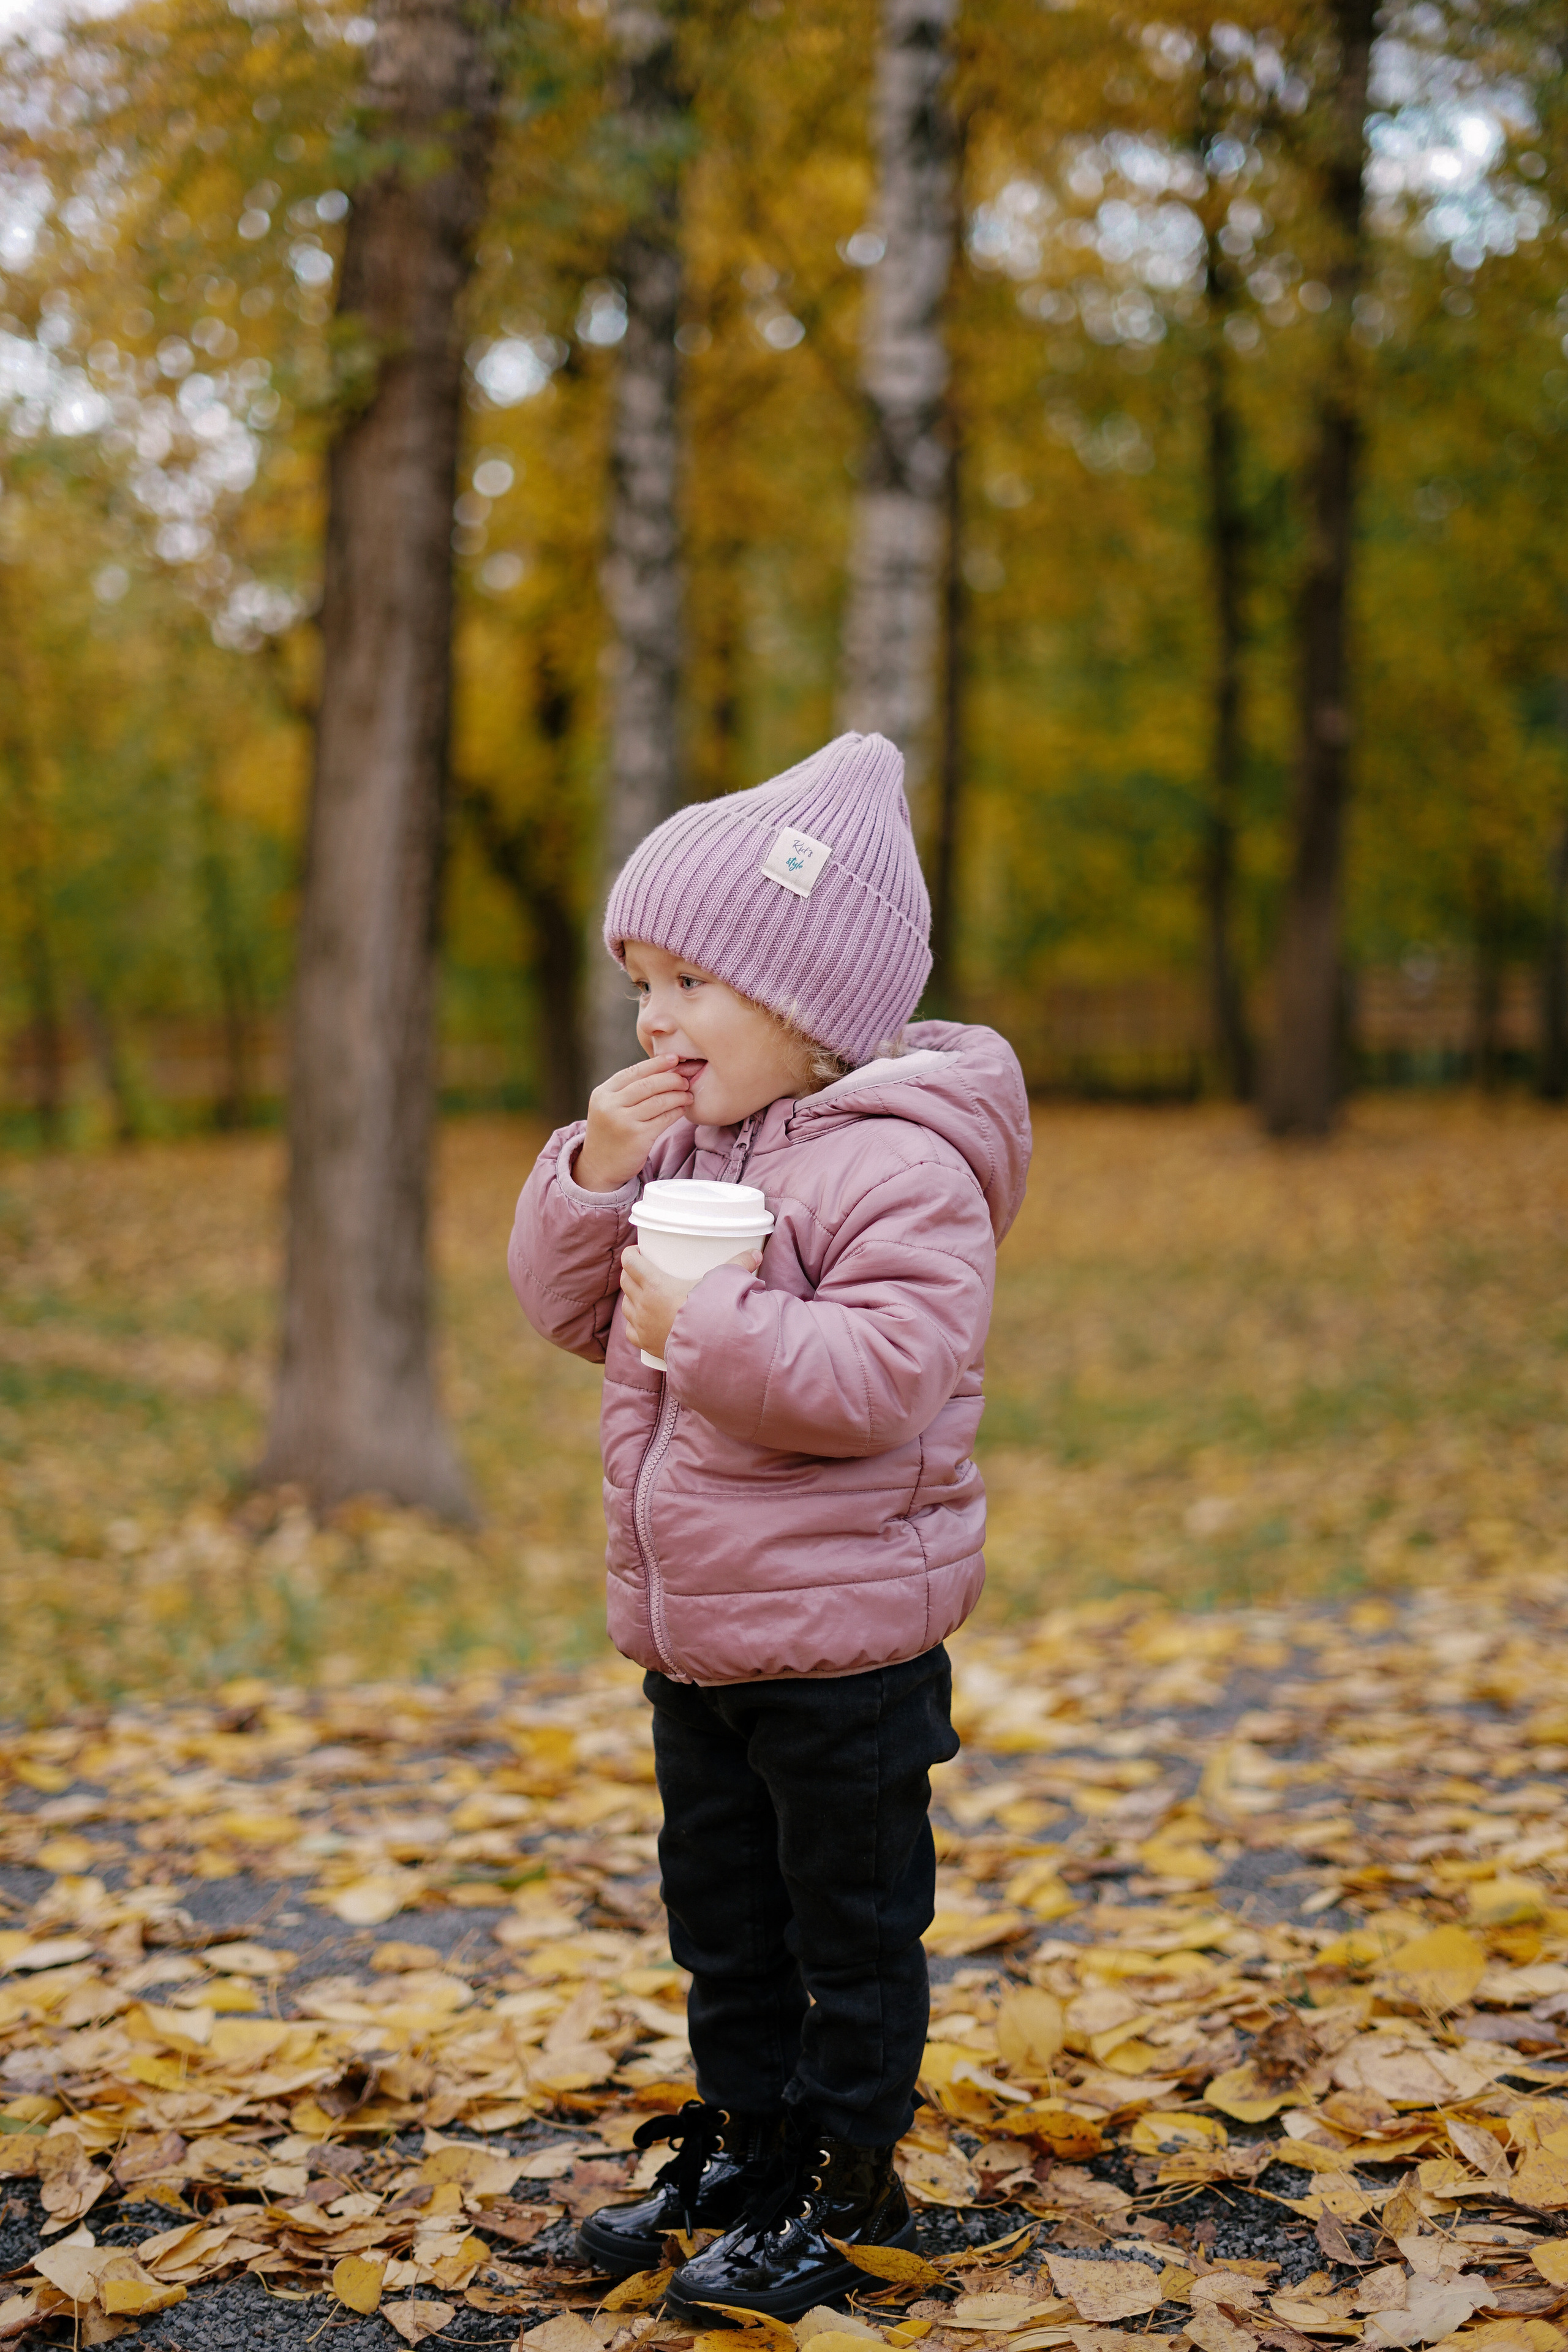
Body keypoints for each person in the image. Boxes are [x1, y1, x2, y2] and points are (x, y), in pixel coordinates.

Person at [508, 731, 1031, 2321]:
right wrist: (597, 1169)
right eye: (640, 989)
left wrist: (713, 1316)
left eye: (690, 985)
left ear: (809, 1004)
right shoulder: (686, 1146)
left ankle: (846, 2173)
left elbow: (879, 1379)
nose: (655, 1021)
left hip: (848, 1647)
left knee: (849, 1931)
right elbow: (561, 1306)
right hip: (703, 1637)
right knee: (724, 1922)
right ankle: (746, 2145)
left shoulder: (906, 1170)